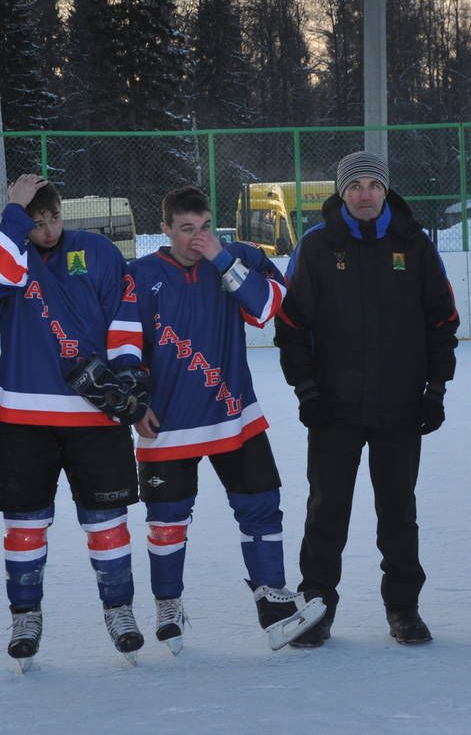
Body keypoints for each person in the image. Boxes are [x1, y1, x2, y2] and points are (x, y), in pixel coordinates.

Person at [111, 186, 326, 654]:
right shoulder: (139, 275)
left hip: (234, 416)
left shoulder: (234, 258)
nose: (197, 238)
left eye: (204, 227)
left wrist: (223, 260)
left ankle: (273, 603)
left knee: (263, 508)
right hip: (167, 422)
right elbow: (124, 341)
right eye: (186, 229)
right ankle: (168, 604)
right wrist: (133, 399)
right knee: (166, 520)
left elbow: (268, 308)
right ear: (164, 229)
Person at [274, 150, 459, 647]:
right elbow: (291, 325)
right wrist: (307, 390)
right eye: (354, 186)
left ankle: (404, 610)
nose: (364, 195)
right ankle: (316, 608)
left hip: (400, 406)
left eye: (372, 185)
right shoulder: (315, 246)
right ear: (341, 192)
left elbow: (441, 320)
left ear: (385, 189)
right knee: (326, 510)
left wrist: (435, 389)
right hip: (333, 408)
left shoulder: (415, 245)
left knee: (398, 510)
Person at [0, 172, 149, 669]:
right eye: (35, 222)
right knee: (25, 525)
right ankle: (25, 615)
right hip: (23, 414)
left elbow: (124, 315)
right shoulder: (6, 250)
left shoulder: (97, 250)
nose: (47, 230)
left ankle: (120, 611)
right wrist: (13, 214)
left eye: (53, 219)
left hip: (94, 415)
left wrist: (129, 373)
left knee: (107, 522)